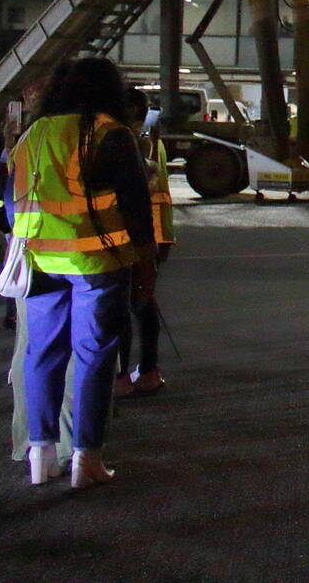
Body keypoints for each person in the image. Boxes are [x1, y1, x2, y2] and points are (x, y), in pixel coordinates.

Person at [10, 56, 157, 488]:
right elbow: (136, 206)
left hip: (39, 258)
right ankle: (86, 459)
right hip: (97, 260)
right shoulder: (112, 134)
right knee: (93, 356)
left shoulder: (34, 134)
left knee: (43, 352)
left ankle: (41, 455)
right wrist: (145, 262)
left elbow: (10, 193)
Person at [113, 88, 172, 399]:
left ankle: (122, 375)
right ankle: (148, 371)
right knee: (144, 306)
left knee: (123, 309)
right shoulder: (150, 143)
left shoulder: (128, 143)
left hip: (134, 238)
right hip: (154, 236)